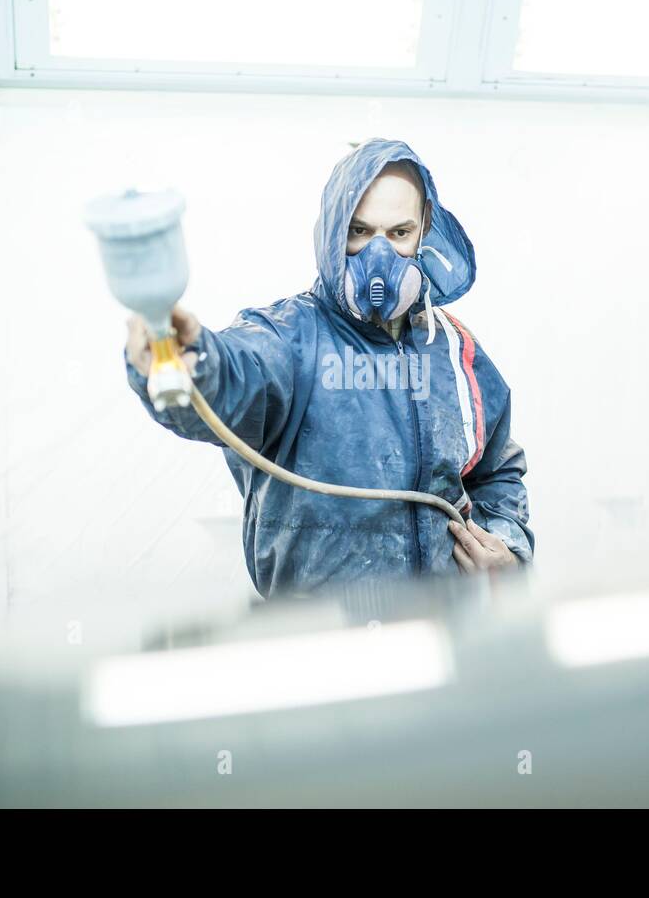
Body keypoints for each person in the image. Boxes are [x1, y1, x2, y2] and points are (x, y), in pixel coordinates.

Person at [124, 138, 533, 597]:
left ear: (424, 231)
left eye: (399, 234)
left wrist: (508, 547)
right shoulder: (287, 337)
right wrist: (188, 358)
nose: (379, 259)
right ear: (333, 232)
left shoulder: (456, 350)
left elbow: (495, 470)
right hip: (318, 643)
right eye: (359, 232)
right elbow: (229, 382)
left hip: (443, 632)